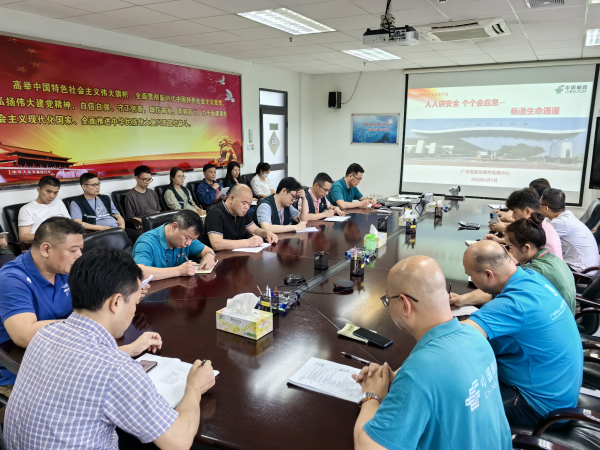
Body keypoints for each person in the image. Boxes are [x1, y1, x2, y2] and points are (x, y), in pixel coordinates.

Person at [5, 247, 216, 449]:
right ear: (116, 302)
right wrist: (194, 388)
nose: (134, 311)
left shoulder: (45, 335)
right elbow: (178, 442)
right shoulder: (118, 370)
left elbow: (81, 362)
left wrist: (129, 349)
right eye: (135, 302)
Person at [352, 256, 511, 450]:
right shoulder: (475, 335)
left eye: (388, 300)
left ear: (405, 304)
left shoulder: (418, 374)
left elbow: (367, 447)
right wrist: (399, 380)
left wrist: (371, 394)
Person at [452, 240, 582, 426]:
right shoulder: (531, 277)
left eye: (471, 275)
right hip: (560, 390)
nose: (471, 279)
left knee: (452, 406)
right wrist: (463, 300)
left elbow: (454, 338)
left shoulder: (515, 304)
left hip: (539, 407)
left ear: (489, 274)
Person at [0, 217, 84, 394]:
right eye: (73, 250)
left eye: (80, 249)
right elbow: (24, 335)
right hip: (19, 370)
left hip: (59, 353)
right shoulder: (12, 280)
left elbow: (90, 301)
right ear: (46, 249)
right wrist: (82, 324)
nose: (79, 255)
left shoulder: (63, 269)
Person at [504, 213, 576, 313]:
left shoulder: (533, 270)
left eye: (510, 247)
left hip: (553, 318)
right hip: (566, 315)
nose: (510, 252)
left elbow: (504, 290)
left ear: (526, 248)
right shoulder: (551, 257)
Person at [133, 209, 216, 280]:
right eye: (187, 238)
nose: (189, 243)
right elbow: (140, 273)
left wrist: (209, 256)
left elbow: (208, 250)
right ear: (174, 227)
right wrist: (179, 271)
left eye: (192, 240)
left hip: (179, 288)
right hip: (155, 291)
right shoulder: (146, 242)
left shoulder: (188, 236)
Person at [486, 187, 562, 259]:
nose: (513, 216)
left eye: (515, 212)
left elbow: (516, 257)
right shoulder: (539, 223)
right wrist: (499, 240)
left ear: (527, 211)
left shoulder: (537, 231)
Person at [70, 173, 143, 243]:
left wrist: (122, 227)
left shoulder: (105, 198)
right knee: (126, 243)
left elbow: (118, 215)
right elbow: (78, 223)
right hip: (101, 232)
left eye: (98, 184)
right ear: (84, 187)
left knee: (142, 238)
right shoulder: (77, 202)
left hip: (117, 229)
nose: (98, 187)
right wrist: (103, 228)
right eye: (94, 185)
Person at [200, 184, 278, 250]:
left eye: (249, 204)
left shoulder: (241, 212)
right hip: (217, 258)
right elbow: (217, 244)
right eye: (244, 203)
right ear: (231, 198)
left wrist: (267, 234)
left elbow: (255, 230)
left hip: (236, 255)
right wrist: (248, 242)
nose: (247, 207)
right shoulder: (215, 214)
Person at [541, 188, 599, 273]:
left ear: (546, 208)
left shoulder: (561, 223)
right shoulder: (566, 216)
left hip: (581, 272)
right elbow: (545, 222)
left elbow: (536, 236)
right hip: (588, 266)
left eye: (540, 204)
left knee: (538, 264)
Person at [18, 175, 70, 243]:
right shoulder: (26, 209)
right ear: (38, 189)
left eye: (55, 192)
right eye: (48, 191)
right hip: (43, 243)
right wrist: (51, 236)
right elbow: (23, 237)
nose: (52, 196)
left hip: (64, 240)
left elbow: (69, 223)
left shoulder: (58, 202)